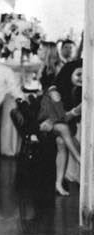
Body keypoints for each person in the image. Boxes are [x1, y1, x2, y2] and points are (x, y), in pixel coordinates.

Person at [38, 63, 82, 196]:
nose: (82, 78)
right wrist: (75, 111)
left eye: (84, 75)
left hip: (60, 125)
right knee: (63, 128)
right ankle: (79, 159)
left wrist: (74, 112)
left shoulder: (77, 91)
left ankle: (58, 184)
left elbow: (63, 118)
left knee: (61, 142)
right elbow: (60, 117)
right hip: (44, 124)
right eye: (78, 74)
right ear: (69, 74)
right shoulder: (55, 92)